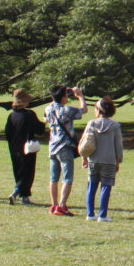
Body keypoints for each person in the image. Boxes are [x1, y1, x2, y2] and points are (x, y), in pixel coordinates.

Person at [44, 85, 86, 216]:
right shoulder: (66, 110)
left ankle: (54, 204)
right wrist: (80, 96)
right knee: (67, 177)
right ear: (62, 98)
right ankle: (62, 205)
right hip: (65, 146)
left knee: (53, 178)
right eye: (66, 95)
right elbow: (83, 110)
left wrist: (56, 97)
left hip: (52, 146)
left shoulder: (48, 108)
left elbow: (45, 119)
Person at [81, 96, 123, 221]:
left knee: (91, 186)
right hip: (109, 160)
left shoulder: (91, 123)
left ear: (98, 110)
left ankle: (90, 214)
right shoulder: (115, 126)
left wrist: (84, 157)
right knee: (106, 186)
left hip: (93, 159)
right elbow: (118, 146)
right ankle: (103, 215)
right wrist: (118, 160)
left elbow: (85, 142)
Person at [3, 88, 46, 205]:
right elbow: (39, 129)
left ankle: (25, 196)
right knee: (28, 172)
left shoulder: (11, 115)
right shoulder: (29, 114)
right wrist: (44, 122)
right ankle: (17, 192)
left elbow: (7, 133)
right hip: (28, 147)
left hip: (14, 147)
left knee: (18, 171)